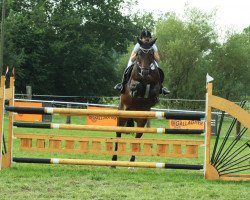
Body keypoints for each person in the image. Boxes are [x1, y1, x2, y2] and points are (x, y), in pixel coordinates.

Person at [114, 30, 170, 95]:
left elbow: (157, 59)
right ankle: (122, 85)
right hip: (138, 60)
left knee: (158, 70)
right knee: (128, 69)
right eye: (144, 37)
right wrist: (138, 53)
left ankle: (161, 88)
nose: (146, 38)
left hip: (149, 61)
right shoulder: (138, 45)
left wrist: (152, 52)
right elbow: (132, 58)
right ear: (141, 38)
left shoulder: (153, 46)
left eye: (148, 37)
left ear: (150, 38)